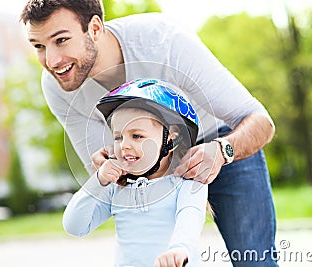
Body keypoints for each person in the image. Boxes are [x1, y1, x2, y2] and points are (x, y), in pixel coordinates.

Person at [21, 1, 278, 266]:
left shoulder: (163, 41)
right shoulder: (57, 86)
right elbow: (103, 177)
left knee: (255, 261)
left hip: (222, 144)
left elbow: (260, 122)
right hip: (150, 162)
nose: (51, 61)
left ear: (95, 28)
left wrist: (224, 151)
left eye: (61, 40)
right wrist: (108, 168)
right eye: (38, 46)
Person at [63, 78, 208, 267]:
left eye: (137, 136)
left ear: (172, 137)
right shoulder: (117, 188)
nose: (124, 146)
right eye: (118, 137)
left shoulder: (188, 182)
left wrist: (180, 249)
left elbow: (190, 218)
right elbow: (74, 226)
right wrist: (98, 181)